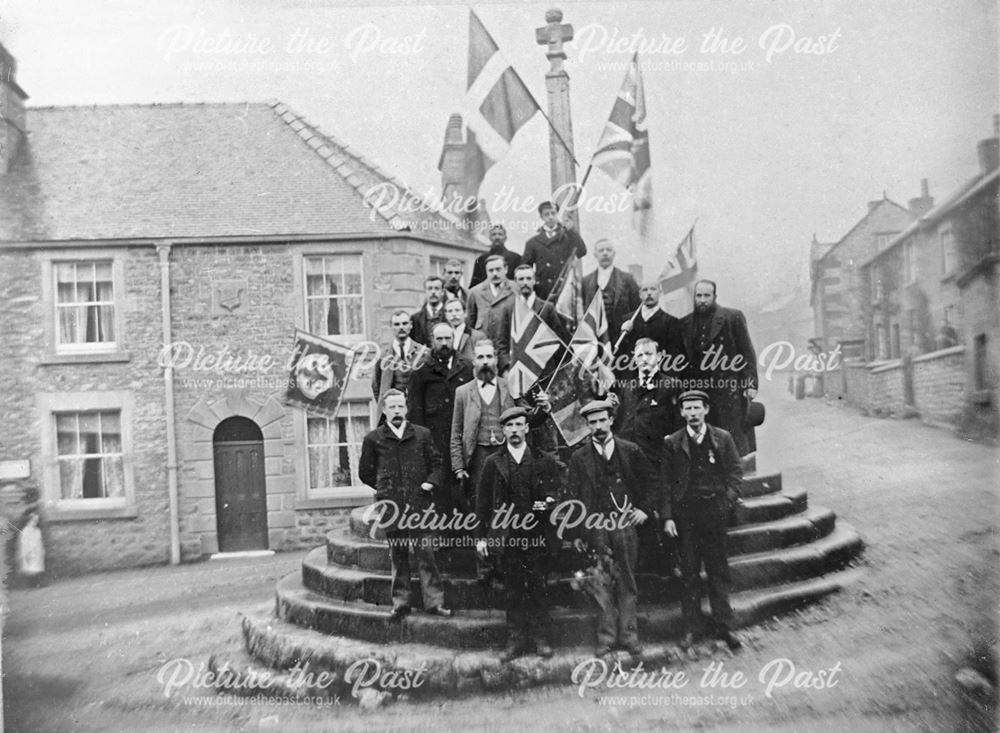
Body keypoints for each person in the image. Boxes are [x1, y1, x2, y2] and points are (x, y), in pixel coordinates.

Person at [569, 400, 656, 657]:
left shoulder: (630, 450)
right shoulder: (578, 457)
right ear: (587, 425)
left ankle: (629, 636)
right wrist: (576, 533)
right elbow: (572, 498)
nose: (598, 426)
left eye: (602, 420)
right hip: (596, 528)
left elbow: (653, 482)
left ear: (611, 420)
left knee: (627, 581)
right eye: (592, 422)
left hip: (625, 525)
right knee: (600, 583)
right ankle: (606, 638)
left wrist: (644, 510)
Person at [476, 406, 563, 661]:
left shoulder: (544, 460)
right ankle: (515, 640)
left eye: (519, 425)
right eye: (509, 426)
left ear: (527, 428)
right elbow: (482, 504)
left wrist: (545, 504)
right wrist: (481, 538)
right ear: (502, 430)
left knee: (538, 587)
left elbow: (556, 497)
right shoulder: (493, 463)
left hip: (537, 534)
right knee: (512, 590)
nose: (514, 430)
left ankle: (541, 638)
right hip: (507, 535)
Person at [358, 389, 453, 620]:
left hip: (420, 504)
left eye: (400, 406)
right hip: (392, 506)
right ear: (385, 410)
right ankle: (401, 603)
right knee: (398, 555)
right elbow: (365, 473)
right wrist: (385, 488)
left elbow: (438, 465)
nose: (397, 411)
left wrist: (429, 484)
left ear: (407, 408)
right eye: (392, 407)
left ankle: (434, 602)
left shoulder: (422, 435)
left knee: (426, 554)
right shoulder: (374, 439)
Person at [661, 390, 743, 650]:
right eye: (688, 408)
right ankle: (691, 629)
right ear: (682, 412)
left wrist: (726, 501)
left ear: (706, 410)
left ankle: (725, 626)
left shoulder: (722, 438)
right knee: (689, 573)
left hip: (714, 512)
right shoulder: (673, 442)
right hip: (686, 517)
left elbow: (735, 472)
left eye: (697, 408)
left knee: (718, 571)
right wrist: (668, 517)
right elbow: (665, 484)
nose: (693, 413)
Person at [450, 339, 551, 514]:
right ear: (474, 361)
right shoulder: (463, 392)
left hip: (506, 453)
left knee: (509, 503)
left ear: (496, 360)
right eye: (480, 357)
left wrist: (544, 408)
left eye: (489, 356)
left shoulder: (510, 386)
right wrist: (459, 467)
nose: (485, 361)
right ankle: (482, 541)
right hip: (477, 457)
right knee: (480, 505)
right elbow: (456, 431)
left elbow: (529, 418)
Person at [680, 279, 758, 456]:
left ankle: (739, 476)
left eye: (707, 295)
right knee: (703, 436)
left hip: (727, 388)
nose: (702, 300)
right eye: (698, 295)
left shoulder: (732, 317)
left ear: (715, 296)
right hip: (699, 389)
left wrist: (751, 383)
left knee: (733, 436)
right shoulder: (685, 323)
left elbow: (746, 352)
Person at [407, 323, 474, 511]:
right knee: (441, 496)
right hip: (436, 443)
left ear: (454, 339)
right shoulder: (421, 370)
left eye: (448, 338)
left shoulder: (467, 367)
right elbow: (415, 411)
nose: (444, 343)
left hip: (462, 441)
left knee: (466, 494)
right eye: (440, 339)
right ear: (432, 341)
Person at [521, 201, 587, 300]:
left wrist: (571, 231)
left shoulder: (567, 237)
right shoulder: (533, 242)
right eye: (546, 214)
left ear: (557, 214)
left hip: (563, 288)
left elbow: (582, 251)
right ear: (541, 217)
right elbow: (526, 268)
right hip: (542, 290)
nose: (550, 217)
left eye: (553, 213)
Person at [581, 239, 640, 347]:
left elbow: (637, 309)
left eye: (608, 250)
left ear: (614, 254)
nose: (605, 253)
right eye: (601, 250)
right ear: (595, 254)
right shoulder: (585, 282)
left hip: (621, 338)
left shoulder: (627, 279)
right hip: (595, 339)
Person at [466, 255, 516, 370]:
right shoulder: (475, 292)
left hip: (508, 350)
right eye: (491, 270)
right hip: (484, 351)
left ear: (506, 269)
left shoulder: (515, 289)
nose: (495, 274)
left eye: (498, 269)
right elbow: (470, 325)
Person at [617, 277, 683, 364]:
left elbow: (674, 355)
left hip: (659, 373)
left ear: (660, 293)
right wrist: (623, 333)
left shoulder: (671, 322)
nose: (649, 293)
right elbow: (619, 352)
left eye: (653, 289)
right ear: (640, 294)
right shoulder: (628, 320)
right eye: (645, 290)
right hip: (632, 373)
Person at [371, 310, 428, 404]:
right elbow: (376, 385)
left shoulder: (424, 352)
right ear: (391, 327)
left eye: (404, 323)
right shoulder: (383, 355)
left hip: (417, 407)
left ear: (411, 325)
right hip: (393, 409)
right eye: (397, 324)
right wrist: (385, 407)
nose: (401, 327)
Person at [470, 223, 522, 288]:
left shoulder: (516, 259)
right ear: (490, 238)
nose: (497, 237)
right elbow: (474, 285)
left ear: (505, 238)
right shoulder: (481, 259)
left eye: (500, 234)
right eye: (494, 234)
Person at [443, 296, 485, 363]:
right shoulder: (443, 337)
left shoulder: (477, 337)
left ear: (465, 313)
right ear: (446, 315)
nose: (454, 314)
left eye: (457, 310)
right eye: (450, 311)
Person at [410, 275, 448, 347]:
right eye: (430, 289)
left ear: (442, 291)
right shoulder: (415, 319)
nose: (433, 292)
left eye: (436, 288)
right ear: (425, 291)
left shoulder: (449, 315)